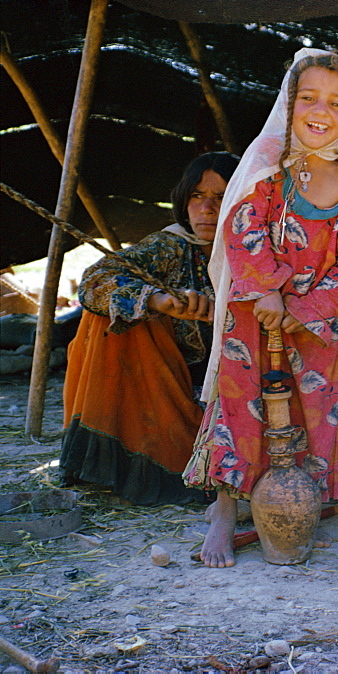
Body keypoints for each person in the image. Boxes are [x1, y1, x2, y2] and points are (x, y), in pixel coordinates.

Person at [184, 48, 338, 568]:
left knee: (311, 411)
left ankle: (293, 505)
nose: (321, 111)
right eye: (309, 98)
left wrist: (308, 306)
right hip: (256, 315)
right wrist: (268, 292)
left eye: (336, 103)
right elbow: (242, 229)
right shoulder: (267, 166)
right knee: (244, 408)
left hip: (317, 324)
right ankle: (226, 509)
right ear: (289, 105)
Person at [60, 151, 240, 506]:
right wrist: (156, 300)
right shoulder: (171, 246)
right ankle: (135, 464)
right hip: (176, 390)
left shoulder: (261, 246)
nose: (207, 209)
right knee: (113, 319)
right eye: (197, 196)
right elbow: (95, 281)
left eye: (220, 197)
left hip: (245, 386)